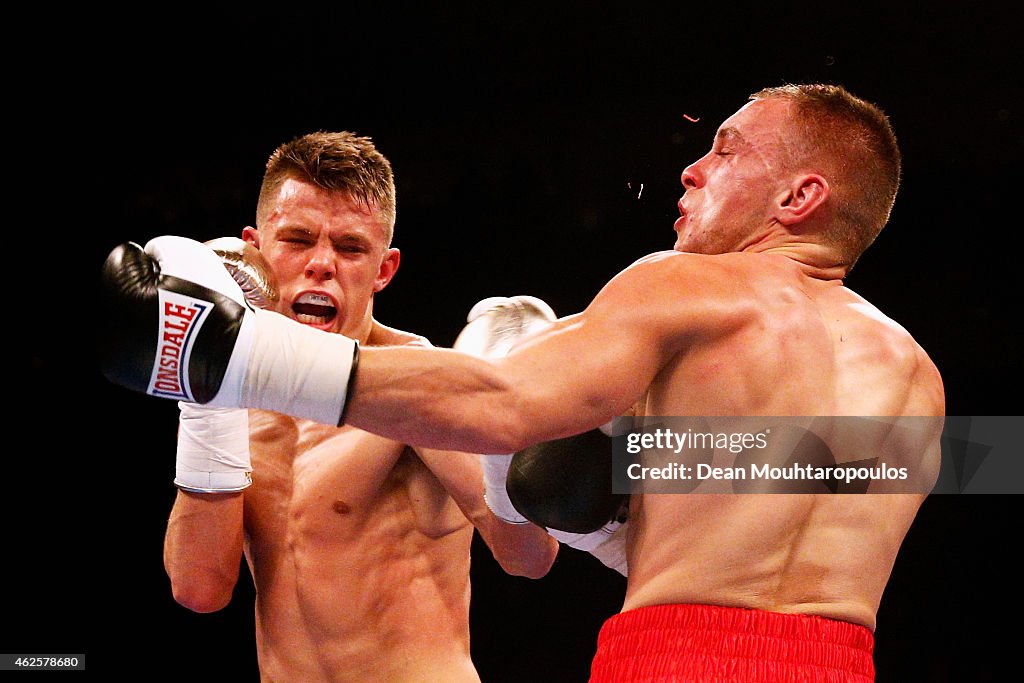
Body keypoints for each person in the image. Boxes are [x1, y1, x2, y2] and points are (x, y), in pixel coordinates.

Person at [101, 84, 946, 681]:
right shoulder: (918, 377)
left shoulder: (686, 285)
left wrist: (225, 360)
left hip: (673, 652)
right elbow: (754, 493)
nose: (690, 169)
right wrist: (592, 505)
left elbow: (499, 405)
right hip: (839, 662)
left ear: (800, 195)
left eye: (723, 151)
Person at [157, 131, 558, 682]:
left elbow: (530, 559)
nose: (322, 265)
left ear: (384, 270)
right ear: (253, 251)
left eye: (349, 248)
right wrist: (204, 395)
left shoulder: (417, 382)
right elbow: (198, 589)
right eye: (297, 240)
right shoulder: (233, 401)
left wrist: (501, 455)